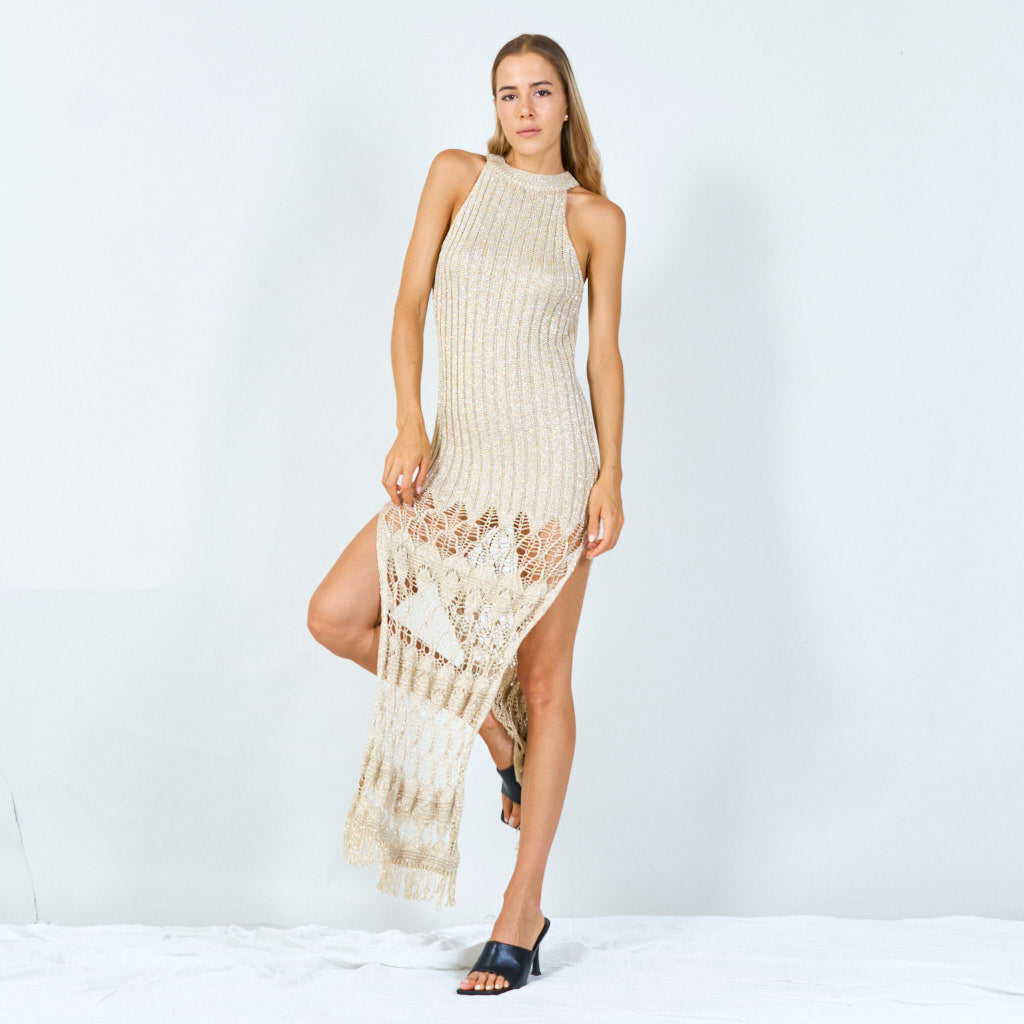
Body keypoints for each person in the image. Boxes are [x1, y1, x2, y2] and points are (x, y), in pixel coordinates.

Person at [307, 32, 625, 995]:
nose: (523, 109)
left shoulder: (594, 218)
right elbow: (408, 308)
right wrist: (410, 423)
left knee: (547, 684)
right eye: (507, 93)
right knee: (337, 615)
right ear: (493, 107)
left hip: (554, 467)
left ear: (566, 102)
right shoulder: (456, 177)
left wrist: (610, 476)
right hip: (457, 460)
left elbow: (602, 357)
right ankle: (495, 737)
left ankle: (521, 912)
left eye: (540, 92)